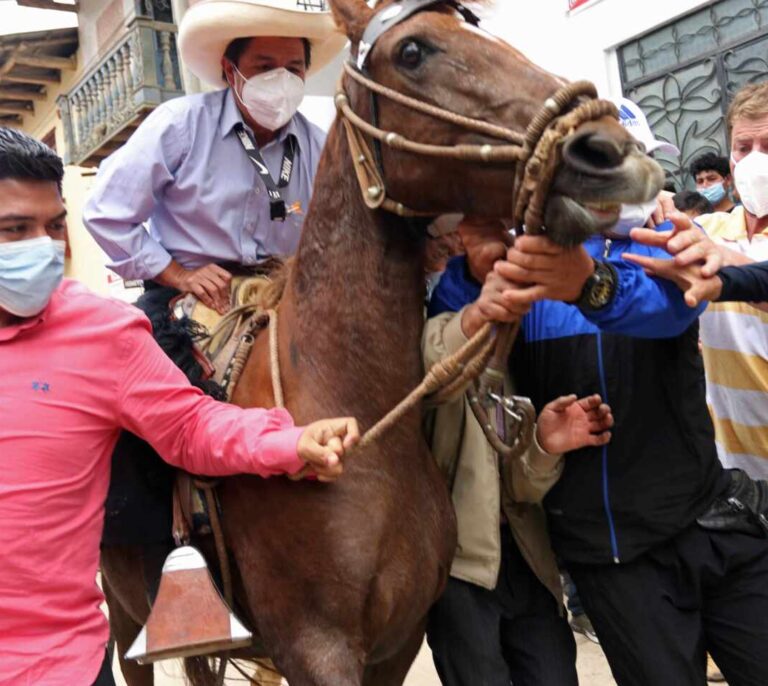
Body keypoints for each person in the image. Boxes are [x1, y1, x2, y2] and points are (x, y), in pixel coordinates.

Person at [0, 128, 360, 685]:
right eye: (14, 229)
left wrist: (290, 441)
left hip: (58, 667)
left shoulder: (104, 333)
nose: (44, 246)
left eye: (53, 226)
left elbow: (191, 424)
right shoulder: (182, 127)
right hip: (183, 282)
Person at [429, 100, 768, 685]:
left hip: (709, 520)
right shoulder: (522, 261)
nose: (633, 181)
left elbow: (671, 307)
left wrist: (589, 284)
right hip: (614, 557)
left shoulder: (667, 240)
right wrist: (474, 260)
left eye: (639, 162)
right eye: (611, 167)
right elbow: (445, 352)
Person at [422, 217, 614, 686]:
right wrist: (475, 311)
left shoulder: (519, 351)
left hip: (526, 556)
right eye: (448, 236)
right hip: (460, 568)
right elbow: (435, 373)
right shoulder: (425, 328)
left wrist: (548, 444)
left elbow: (520, 485)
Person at [83, 0, 345, 312]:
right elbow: (106, 213)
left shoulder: (321, 148)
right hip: (185, 297)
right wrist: (178, 274)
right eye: (264, 67)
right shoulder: (179, 126)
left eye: (293, 69)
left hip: (284, 302)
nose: (282, 80)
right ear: (230, 71)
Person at [629, 81, 768, 481]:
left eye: (767, 145)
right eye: (743, 148)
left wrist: (726, 263)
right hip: (731, 469)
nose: (754, 160)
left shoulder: (710, 243)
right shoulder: (707, 228)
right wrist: (644, 202)